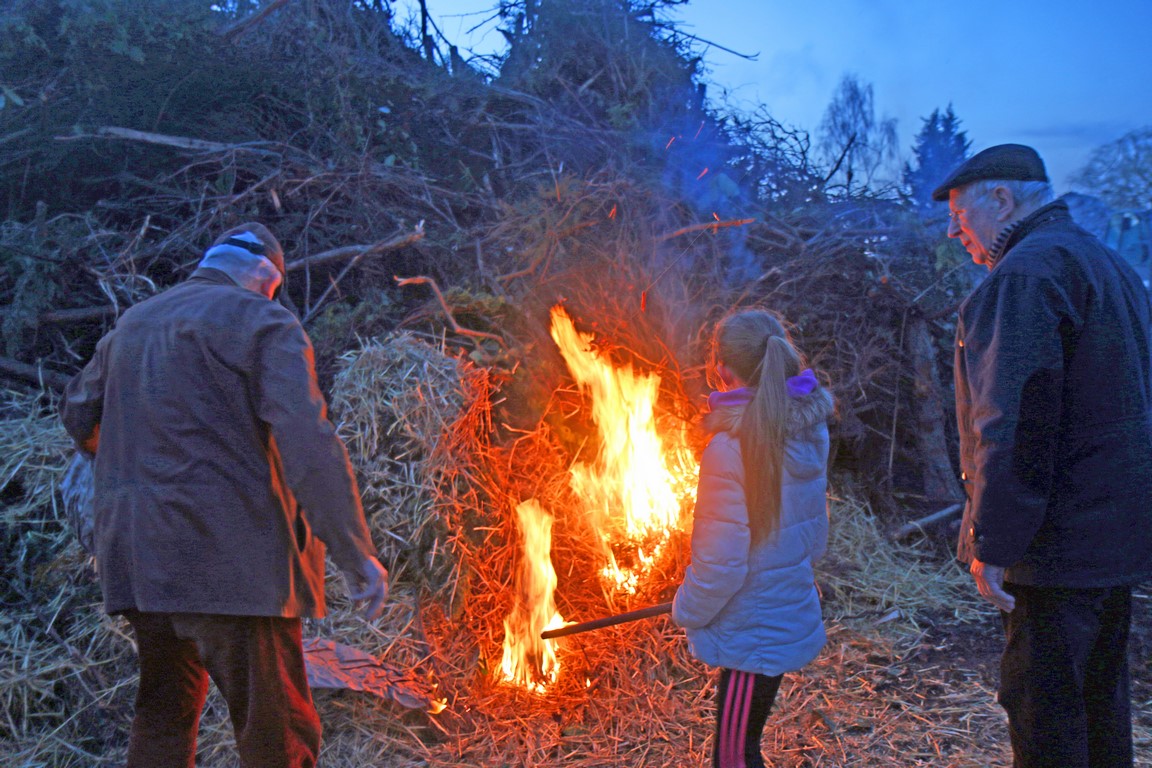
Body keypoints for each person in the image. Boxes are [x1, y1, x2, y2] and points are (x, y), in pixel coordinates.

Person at [61, 223, 390, 768]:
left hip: (141, 564)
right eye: (275, 286)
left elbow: (79, 417)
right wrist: (355, 552)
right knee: (276, 732)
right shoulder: (261, 320)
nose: (274, 296)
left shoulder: (133, 324)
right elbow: (308, 444)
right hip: (233, 567)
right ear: (265, 273)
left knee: (163, 717)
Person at [933, 144, 1152, 767]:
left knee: (1045, 708)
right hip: (1114, 538)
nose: (954, 230)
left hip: (1057, 544)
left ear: (1001, 200)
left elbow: (1015, 421)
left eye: (960, 212)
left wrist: (993, 542)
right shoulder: (1106, 263)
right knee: (1099, 700)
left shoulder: (1026, 275)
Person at [672, 309, 834, 768]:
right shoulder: (807, 428)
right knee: (740, 749)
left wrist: (687, 607)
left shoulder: (729, 447)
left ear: (722, 369)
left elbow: (720, 563)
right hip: (784, 601)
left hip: (751, 628)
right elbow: (812, 532)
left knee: (733, 758)